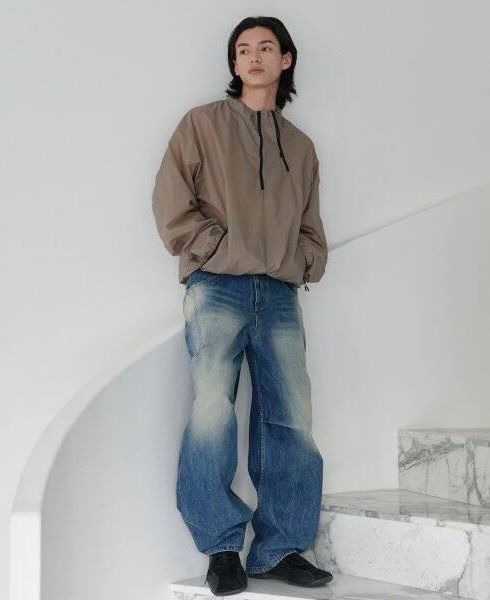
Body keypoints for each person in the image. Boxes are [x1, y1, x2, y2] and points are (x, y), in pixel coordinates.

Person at [152, 15, 332, 596]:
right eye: (243, 49)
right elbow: (171, 199)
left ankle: (279, 548)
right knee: (212, 410)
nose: (254, 57)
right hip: (217, 287)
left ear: (285, 59)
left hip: (279, 295)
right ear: (235, 64)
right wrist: (215, 250)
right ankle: (221, 545)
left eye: (266, 47)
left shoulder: (300, 146)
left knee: (292, 417)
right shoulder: (202, 124)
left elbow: (311, 226)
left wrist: (301, 262)